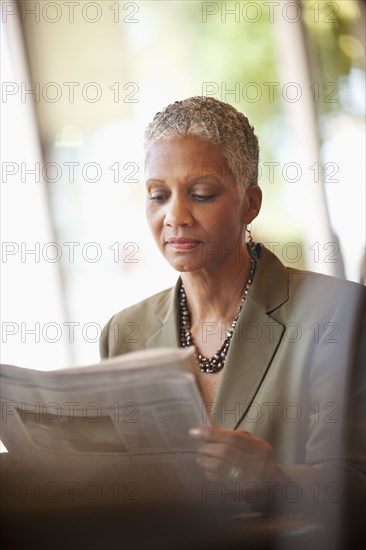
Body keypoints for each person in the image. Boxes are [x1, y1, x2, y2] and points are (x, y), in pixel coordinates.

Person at [100, 96, 365, 544]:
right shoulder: (123, 333)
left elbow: (355, 485)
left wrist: (272, 481)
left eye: (201, 194)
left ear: (250, 203)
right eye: (158, 196)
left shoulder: (336, 314)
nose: (175, 217)